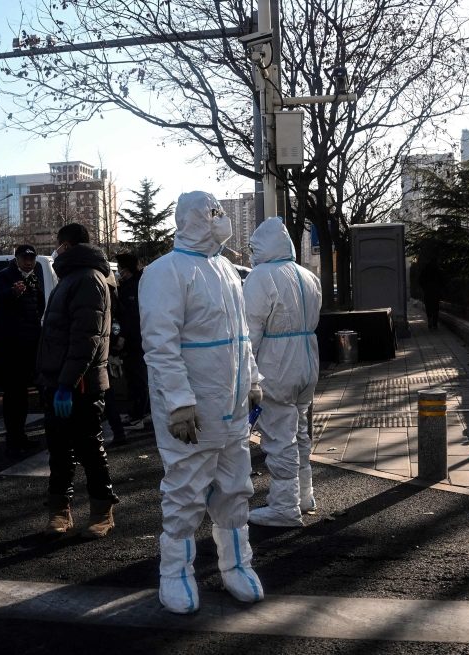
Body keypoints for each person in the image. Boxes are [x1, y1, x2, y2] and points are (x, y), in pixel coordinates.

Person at [140, 191, 264, 614]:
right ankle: (174, 572)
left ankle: (237, 565)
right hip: (193, 409)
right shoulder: (166, 272)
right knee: (185, 491)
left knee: (235, 487)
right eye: (211, 214)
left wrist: (253, 380)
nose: (219, 220)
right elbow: (160, 343)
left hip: (231, 406)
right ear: (191, 219)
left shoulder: (226, 268)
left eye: (220, 212)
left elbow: (241, 335)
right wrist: (177, 402)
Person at [37, 223, 118, 539]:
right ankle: (59, 511)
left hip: (80, 385)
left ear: (66, 246)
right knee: (59, 451)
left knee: (89, 450)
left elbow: (86, 339)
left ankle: (102, 511)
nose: (54, 251)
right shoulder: (70, 278)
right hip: (60, 383)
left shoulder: (87, 279)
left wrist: (67, 384)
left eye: (57, 245)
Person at [243, 218, 322, 527]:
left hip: (277, 365)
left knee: (279, 438)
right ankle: (305, 496)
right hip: (308, 362)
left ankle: (284, 507)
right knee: (299, 431)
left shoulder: (261, 277)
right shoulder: (308, 275)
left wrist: (246, 376)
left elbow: (249, 333)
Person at [0, 244, 46, 458]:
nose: (29, 261)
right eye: (25, 258)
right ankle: (13, 441)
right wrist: (13, 292)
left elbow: (39, 306)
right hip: (10, 345)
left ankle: (21, 436)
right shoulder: (2, 276)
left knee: (23, 394)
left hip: (30, 343)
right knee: (13, 394)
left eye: (32, 258)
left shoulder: (33, 278)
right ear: (17, 258)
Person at [115, 252, 150, 431]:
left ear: (125, 269)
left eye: (119, 267)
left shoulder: (131, 288)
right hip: (143, 339)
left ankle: (137, 416)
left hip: (135, 341)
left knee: (136, 379)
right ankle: (146, 411)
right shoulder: (142, 284)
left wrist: (123, 338)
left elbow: (129, 318)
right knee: (143, 377)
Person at [103, 269, 128, 445]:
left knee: (104, 394)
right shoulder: (114, 297)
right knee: (106, 393)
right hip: (108, 349)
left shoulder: (100, 295)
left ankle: (118, 432)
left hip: (98, 352)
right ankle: (118, 431)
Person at [418, 258, 446, 330]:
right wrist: (440, 289)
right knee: (436, 307)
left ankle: (429, 317)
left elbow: (420, 280)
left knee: (428, 306)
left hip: (428, 291)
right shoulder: (439, 270)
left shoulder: (425, 270)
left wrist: (424, 288)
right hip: (436, 291)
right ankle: (435, 324)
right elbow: (443, 281)